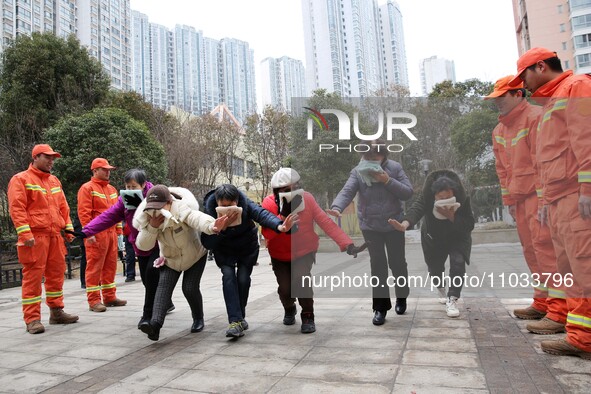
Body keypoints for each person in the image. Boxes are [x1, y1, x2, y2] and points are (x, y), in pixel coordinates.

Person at [508, 47, 591, 360]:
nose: (524, 84)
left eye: (524, 76)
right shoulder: (549, 104)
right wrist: (545, 200)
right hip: (558, 200)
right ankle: (579, 333)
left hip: (575, 197)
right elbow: (544, 162)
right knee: (570, 269)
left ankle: (583, 339)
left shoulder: (576, 88)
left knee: (584, 266)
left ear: (540, 66)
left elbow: (586, 140)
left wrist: (587, 190)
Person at [487, 75, 568, 334]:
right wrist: (509, 200)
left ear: (518, 94)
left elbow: (543, 162)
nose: (498, 102)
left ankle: (558, 312)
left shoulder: (535, 118)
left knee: (546, 251)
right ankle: (543, 302)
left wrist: (545, 200)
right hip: (520, 199)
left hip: (537, 195)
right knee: (531, 251)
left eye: (503, 97)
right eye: (496, 98)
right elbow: (502, 170)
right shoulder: (499, 131)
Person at [262, 168, 366, 334]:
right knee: (285, 289)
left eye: (296, 187)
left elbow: (325, 222)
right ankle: (289, 308)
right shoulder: (268, 204)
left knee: (302, 280)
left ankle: (308, 315)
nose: (292, 192)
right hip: (279, 254)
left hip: (304, 251)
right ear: (276, 192)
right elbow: (266, 233)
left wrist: (347, 244)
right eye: (286, 190)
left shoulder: (307, 199)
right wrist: (281, 220)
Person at [328, 140, 413, 325]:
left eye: (375, 157)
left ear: (384, 156)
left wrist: (387, 180)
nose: (370, 160)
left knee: (397, 263)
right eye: (367, 157)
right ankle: (380, 308)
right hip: (370, 225)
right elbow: (347, 191)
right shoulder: (358, 171)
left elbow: (407, 192)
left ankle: (402, 296)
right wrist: (337, 207)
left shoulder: (395, 168)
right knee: (378, 265)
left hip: (394, 224)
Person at [72, 169, 167, 328]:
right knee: (146, 279)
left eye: (134, 186)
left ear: (143, 185)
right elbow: (108, 216)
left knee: (151, 274)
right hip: (140, 244)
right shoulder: (125, 200)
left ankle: (148, 316)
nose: (130, 190)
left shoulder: (155, 196)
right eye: (127, 186)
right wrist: (87, 230)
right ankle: (164, 302)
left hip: (159, 244)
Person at [202, 184, 298, 338]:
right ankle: (235, 321)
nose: (227, 209)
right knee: (228, 277)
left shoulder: (246, 204)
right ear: (217, 203)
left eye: (231, 205)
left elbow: (262, 215)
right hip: (224, 249)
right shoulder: (209, 211)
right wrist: (219, 229)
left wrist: (280, 226)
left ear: (237, 200)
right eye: (223, 206)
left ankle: (239, 318)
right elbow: (207, 243)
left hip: (246, 248)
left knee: (243, 279)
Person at [134, 185, 228, 341]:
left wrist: (212, 226)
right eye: (153, 207)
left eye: (161, 206)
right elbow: (143, 245)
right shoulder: (152, 220)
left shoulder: (182, 209)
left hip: (195, 256)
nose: (157, 210)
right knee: (163, 288)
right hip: (171, 259)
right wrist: (152, 228)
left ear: (170, 202)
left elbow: (198, 219)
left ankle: (198, 318)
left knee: (189, 288)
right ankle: (154, 326)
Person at [7, 144, 79, 334]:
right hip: (35, 237)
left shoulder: (54, 181)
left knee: (56, 275)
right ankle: (32, 319)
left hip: (55, 235)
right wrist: (25, 233)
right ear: (35, 157)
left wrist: (68, 228)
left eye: (53, 158)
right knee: (33, 277)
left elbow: (64, 207)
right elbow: (17, 208)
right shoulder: (20, 179)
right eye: (47, 157)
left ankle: (56, 312)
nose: (51, 161)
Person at [388, 171, 474, 318]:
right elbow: (416, 210)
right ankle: (440, 288)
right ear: (434, 196)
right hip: (433, 237)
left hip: (457, 236)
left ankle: (452, 299)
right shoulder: (426, 199)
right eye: (441, 198)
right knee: (435, 268)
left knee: (458, 263)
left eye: (448, 197)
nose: (445, 200)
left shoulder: (463, 199)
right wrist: (404, 225)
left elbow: (469, 224)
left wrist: (451, 216)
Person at [77, 158, 126, 312]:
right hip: (97, 234)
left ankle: (110, 296)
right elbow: (84, 213)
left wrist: (119, 233)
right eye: (104, 169)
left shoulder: (112, 189)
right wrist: (89, 232)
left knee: (110, 266)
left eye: (109, 169)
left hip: (111, 233)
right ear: (95, 171)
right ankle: (94, 301)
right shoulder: (87, 188)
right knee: (94, 268)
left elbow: (118, 213)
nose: (108, 172)